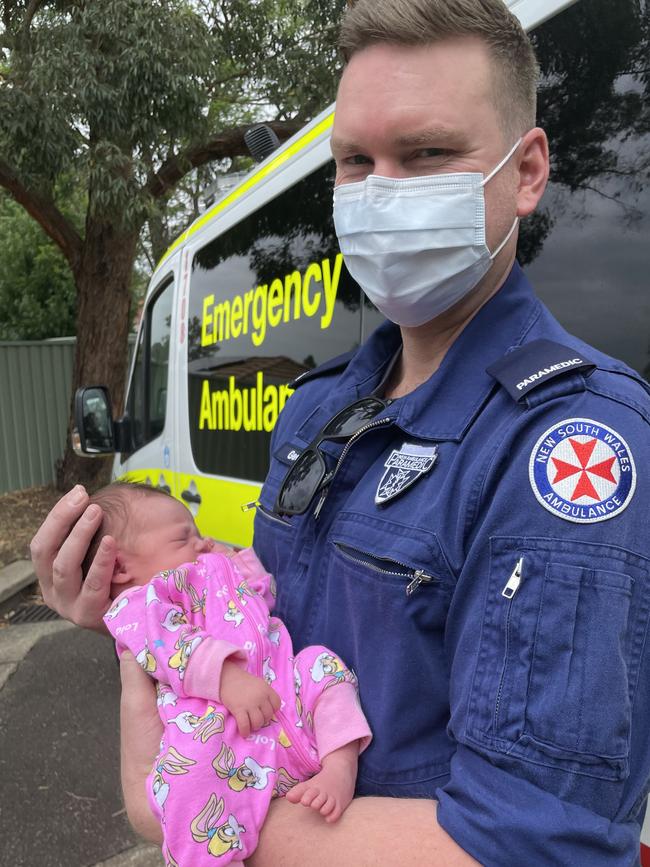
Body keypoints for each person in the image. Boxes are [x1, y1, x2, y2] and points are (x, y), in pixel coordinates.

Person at [31, 1, 650, 864]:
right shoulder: (317, 410)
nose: (383, 190)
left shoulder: (569, 443)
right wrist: (141, 616)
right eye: (356, 161)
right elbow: (268, 644)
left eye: (428, 154)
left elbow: (533, 845)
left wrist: (183, 809)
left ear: (528, 170)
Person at [88, 481, 371, 865]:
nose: (203, 542)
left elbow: (265, 592)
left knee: (322, 664)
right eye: (183, 537)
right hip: (220, 730)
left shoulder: (213, 572)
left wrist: (234, 566)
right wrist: (226, 679)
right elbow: (163, 642)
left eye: (200, 534)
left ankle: (340, 767)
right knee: (186, 778)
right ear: (121, 566)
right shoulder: (143, 602)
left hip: (289, 696)